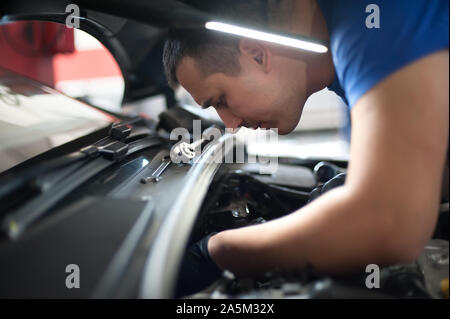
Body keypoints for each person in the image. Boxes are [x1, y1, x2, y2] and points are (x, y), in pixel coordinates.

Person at [163, 0, 449, 297]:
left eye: (220, 99)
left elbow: (389, 223)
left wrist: (217, 251)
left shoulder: (371, 17)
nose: (231, 124)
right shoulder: (348, 43)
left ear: (258, 55)